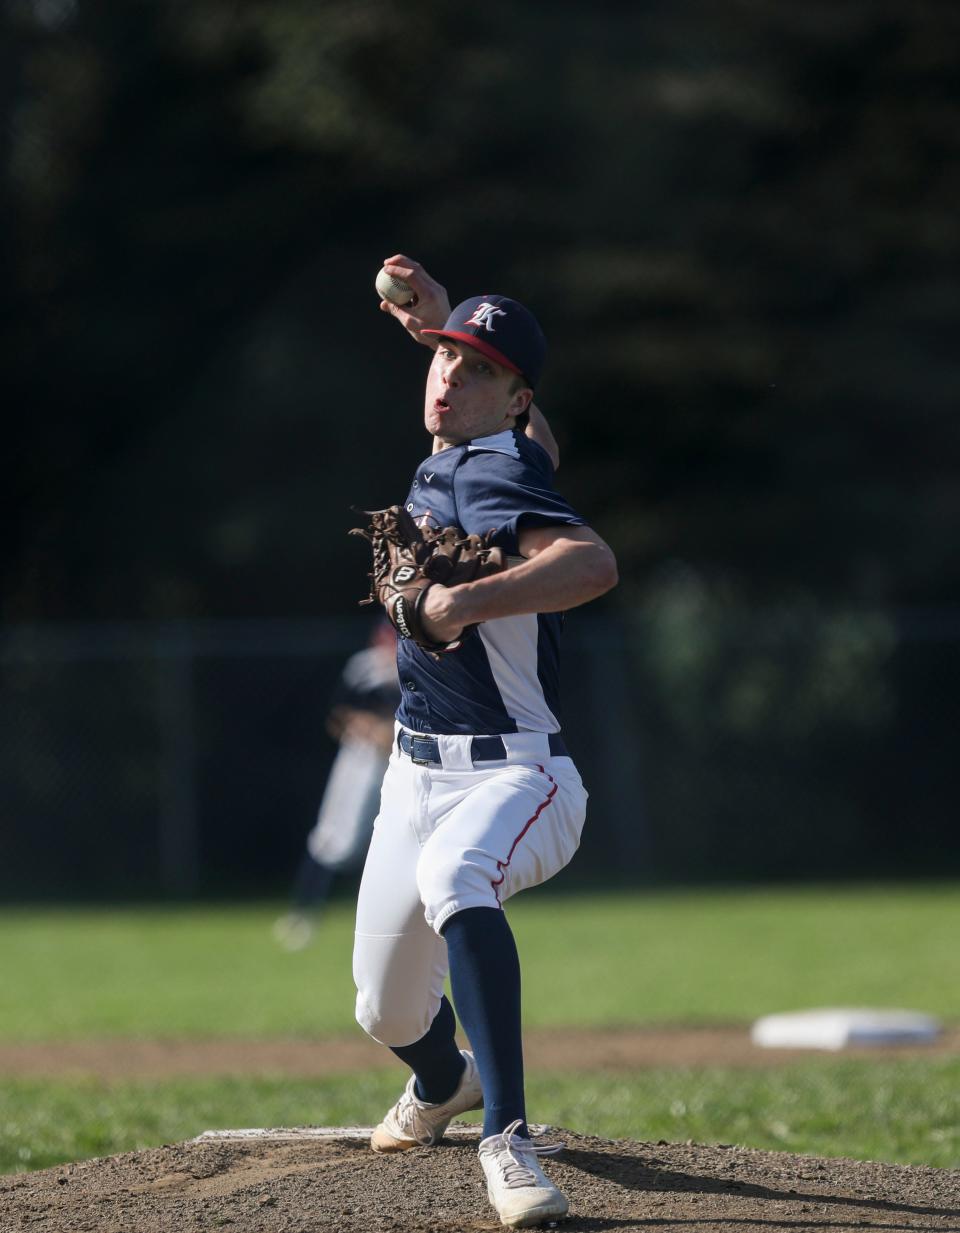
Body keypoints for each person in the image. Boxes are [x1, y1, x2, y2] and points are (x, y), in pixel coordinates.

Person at [352, 255, 618, 1228]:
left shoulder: (500, 468)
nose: (447, 378)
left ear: (514, 397)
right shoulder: (456, 459)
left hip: (519, 775)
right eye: (444, 361)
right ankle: (445, 1083)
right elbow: (523, 432)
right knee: (383, 1013)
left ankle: (508, 1137)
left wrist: (463, 599)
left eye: (475, 367)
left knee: (459, 876)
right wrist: (439, 331)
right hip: (411, 776)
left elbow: (592, 562)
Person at [273, 620, 400, 951]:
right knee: (333, 836)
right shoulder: (364, 667)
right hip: (360, 760)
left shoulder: (417, 666)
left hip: (403, 762)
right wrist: (369, 728)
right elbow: (338, 715)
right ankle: (303, 912)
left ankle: (395, 917)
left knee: (399, 839)